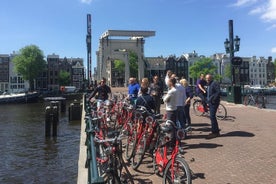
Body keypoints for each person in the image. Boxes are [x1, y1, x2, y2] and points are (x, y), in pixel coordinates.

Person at [205, 74, 221, 139]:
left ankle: (215, 132)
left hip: (214, 102)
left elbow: (218, 92)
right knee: (212, 117)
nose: (207, 80)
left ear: (211, 78)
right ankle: (215, 131)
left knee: (212, 116)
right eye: (206, 78)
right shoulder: (209, 84)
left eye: (208, 78)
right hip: (211, 102)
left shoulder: (214, 83)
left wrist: (213, 100)